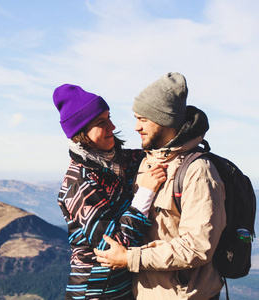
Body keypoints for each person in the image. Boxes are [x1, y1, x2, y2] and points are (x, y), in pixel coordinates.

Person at [94, 73, 226, 300]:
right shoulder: (149, 160)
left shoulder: (198, 171)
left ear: (164, 120)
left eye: (143, 119)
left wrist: (130, 259)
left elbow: (197, 246)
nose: (136, 127)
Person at [53, 84, 167, 299]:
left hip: (121, 287)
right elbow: (113, 246)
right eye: (101, 123)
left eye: (109, 118)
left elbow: (157, 153)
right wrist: (145, 193)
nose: (112, 126)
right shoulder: (80, 184)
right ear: (80, 132)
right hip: (95, 291)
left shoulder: (119, 161)